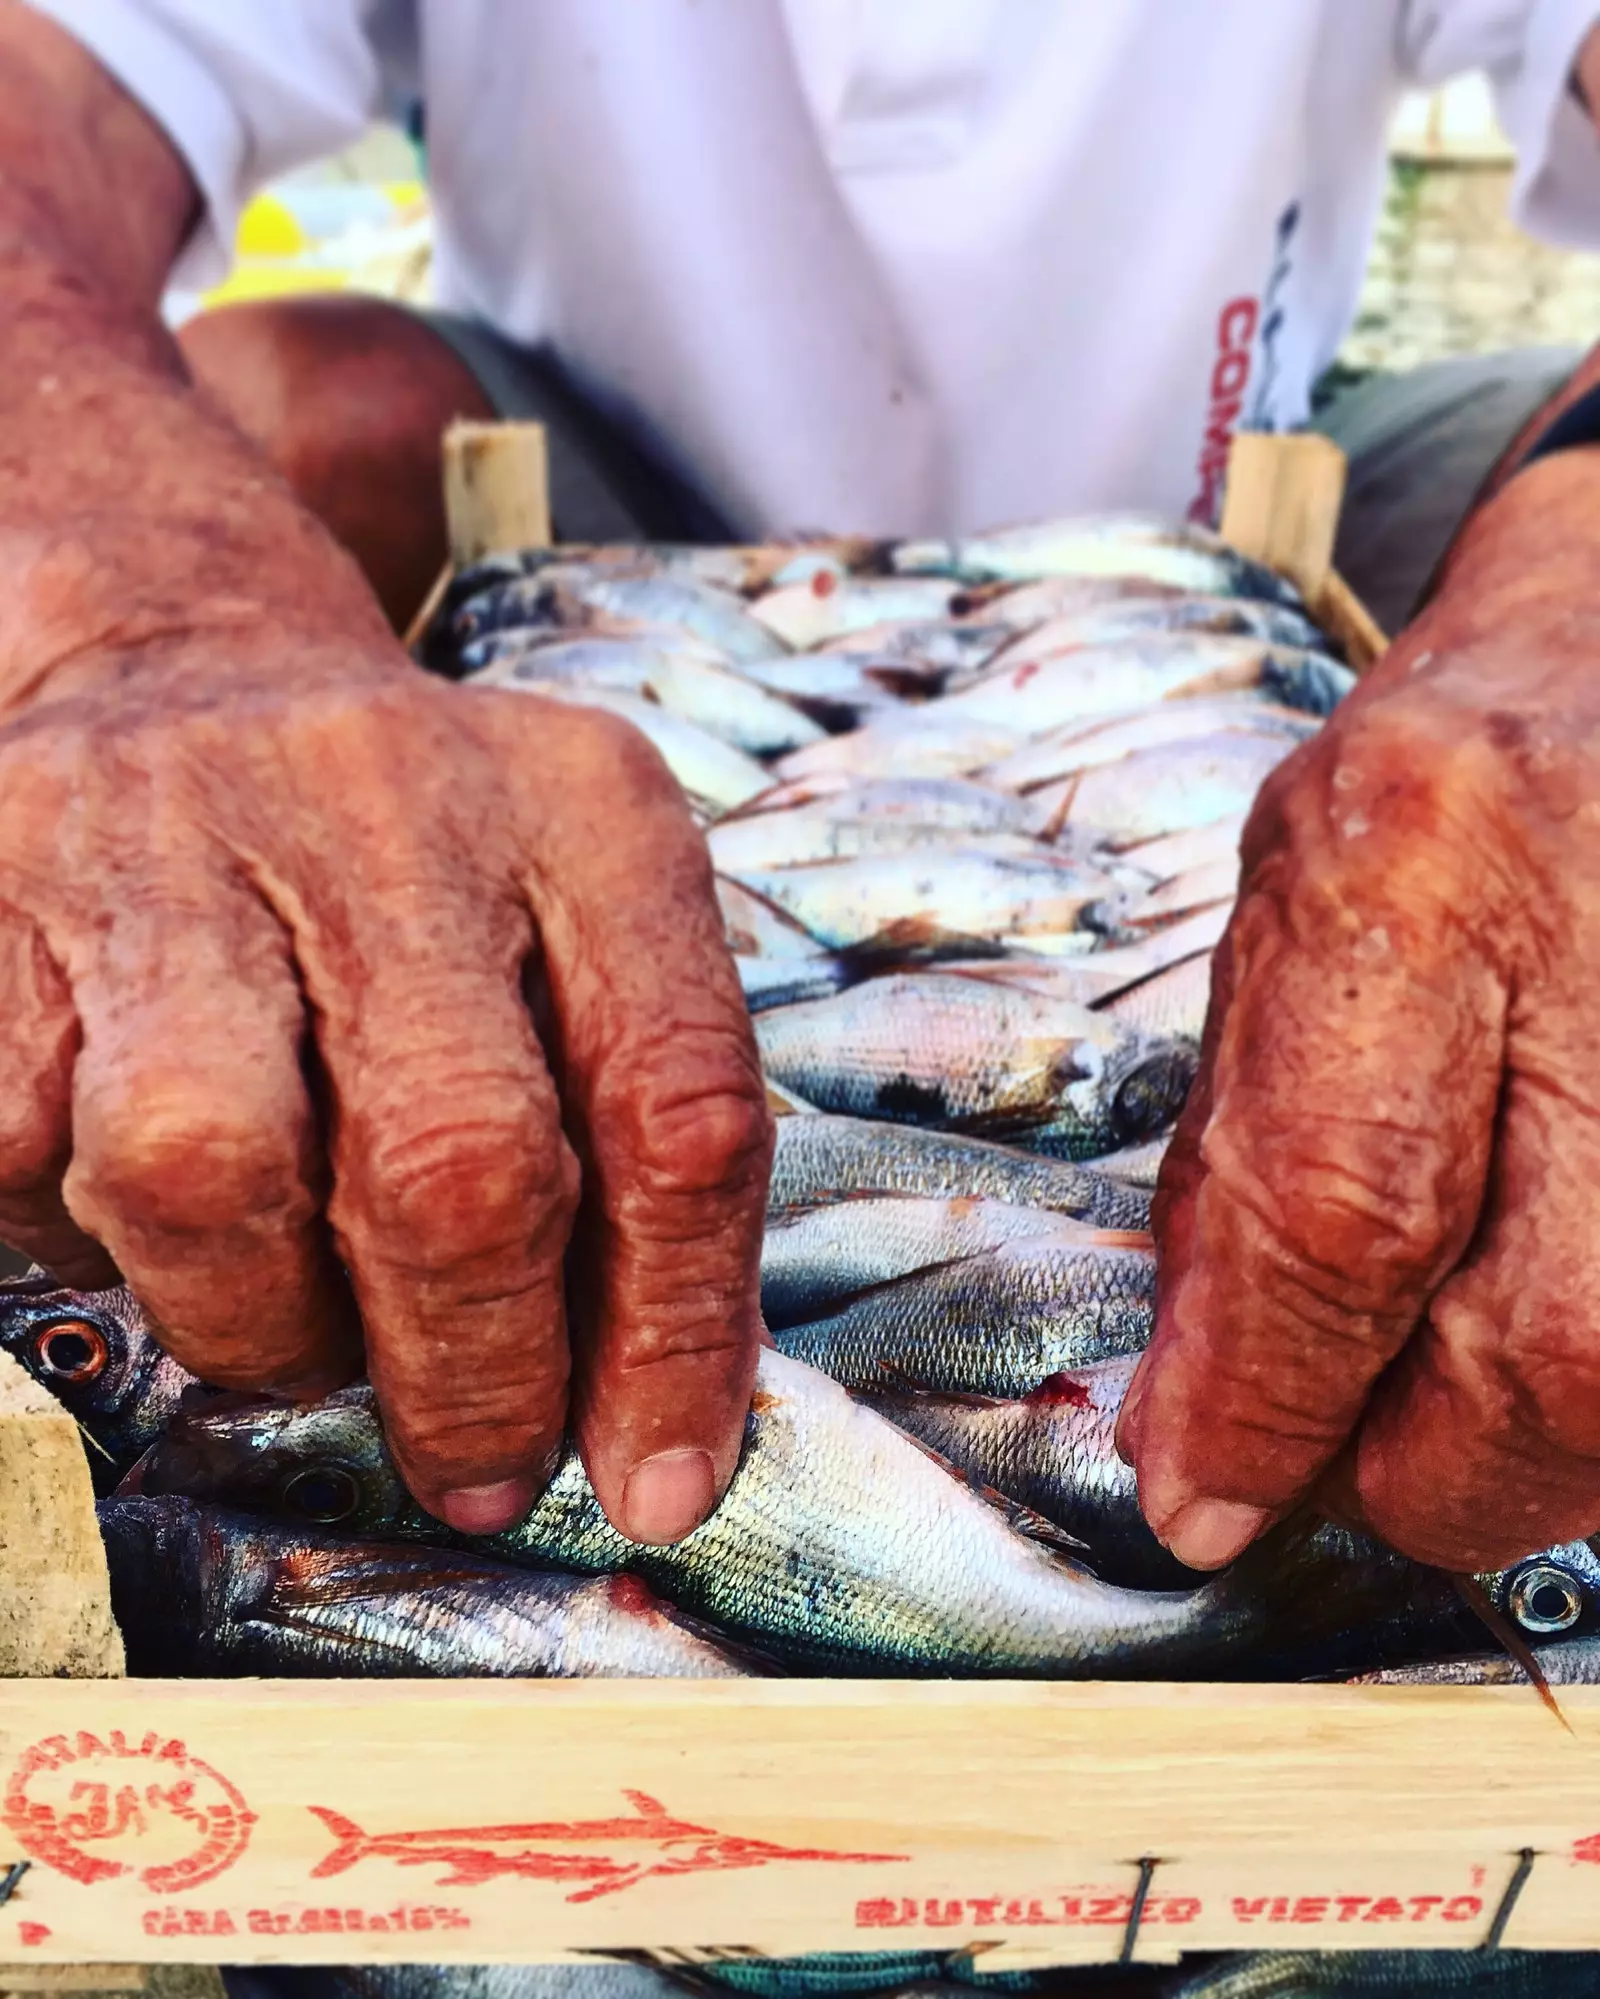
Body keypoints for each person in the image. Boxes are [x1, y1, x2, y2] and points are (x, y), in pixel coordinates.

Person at [5, 0, 1600, 1575]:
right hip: (596, 471)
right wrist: (150, 615)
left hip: (1212, 492)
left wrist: (1566, 614)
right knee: (285, 392)